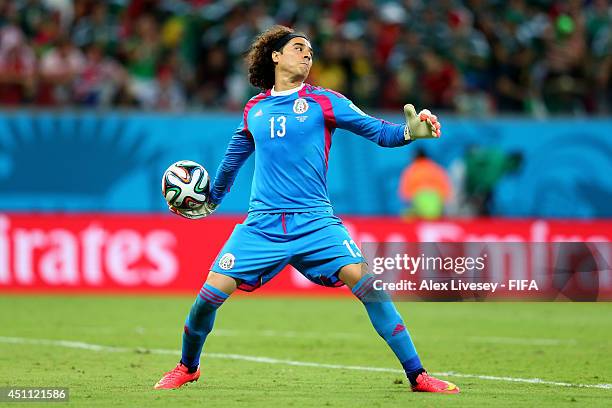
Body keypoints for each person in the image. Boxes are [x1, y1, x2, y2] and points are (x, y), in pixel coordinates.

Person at [154, 25, 458, 394]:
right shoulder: (255, 109)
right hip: (262, 226)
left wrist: (410, 132)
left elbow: (379, 131)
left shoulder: (325, 101)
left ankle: (418, 376)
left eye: (310, 50)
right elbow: (232, 162)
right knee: (207, 298)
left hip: (315, 221)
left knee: (370, 288)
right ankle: (188, 366)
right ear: (276, 56)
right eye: (298, 48)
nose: (307, 54)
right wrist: (210, 201)